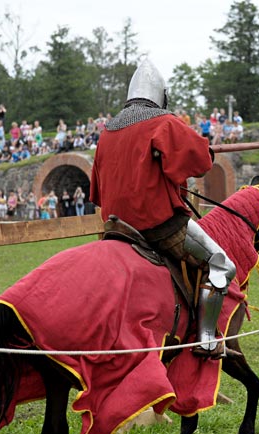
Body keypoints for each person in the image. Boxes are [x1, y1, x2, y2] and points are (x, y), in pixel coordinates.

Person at [90, 59, 235, 358]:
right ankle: (207, 340)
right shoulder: (163, 122)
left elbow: (100, 188)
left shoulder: (108, 130)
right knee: (221, 264)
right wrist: (205, 149)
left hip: (116, 226)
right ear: (161, 95)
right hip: (156, 226)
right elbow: (200, 162)